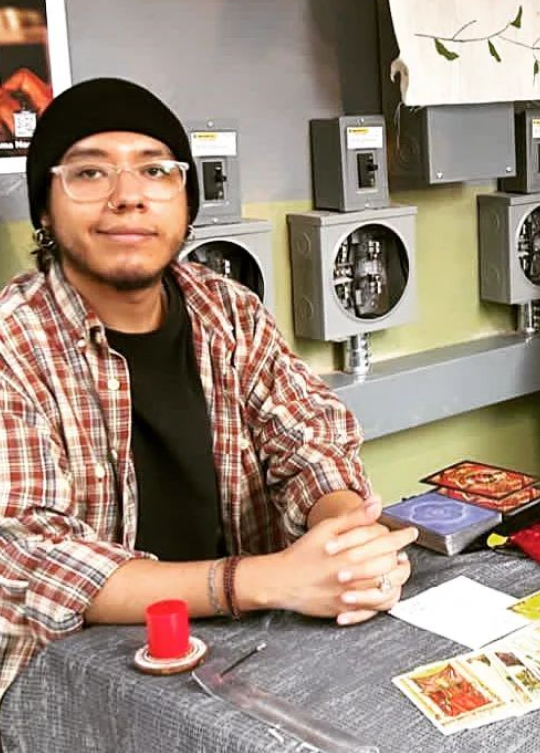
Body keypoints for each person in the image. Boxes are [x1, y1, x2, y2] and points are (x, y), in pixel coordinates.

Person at [0, 78, 417, 700]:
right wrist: (267, 580)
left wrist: (345, 541)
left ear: (186, 199)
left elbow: (309, 441)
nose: (128, 197)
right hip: (79, 682)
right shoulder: (13, 343)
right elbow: (33, 558)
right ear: (44, 209)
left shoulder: (227, 309)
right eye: (89, 173)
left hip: (245, 654)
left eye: (155, 171)